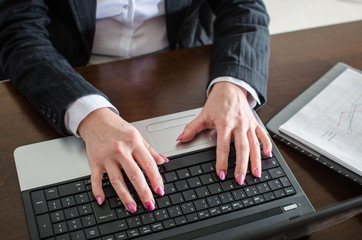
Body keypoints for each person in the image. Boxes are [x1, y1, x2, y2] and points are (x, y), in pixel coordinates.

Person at [0, 0, 272, 214]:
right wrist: (88, 114)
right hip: (71, 72)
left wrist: (234, 85)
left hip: (181, 68)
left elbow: (244, 7)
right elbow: (19, 34)